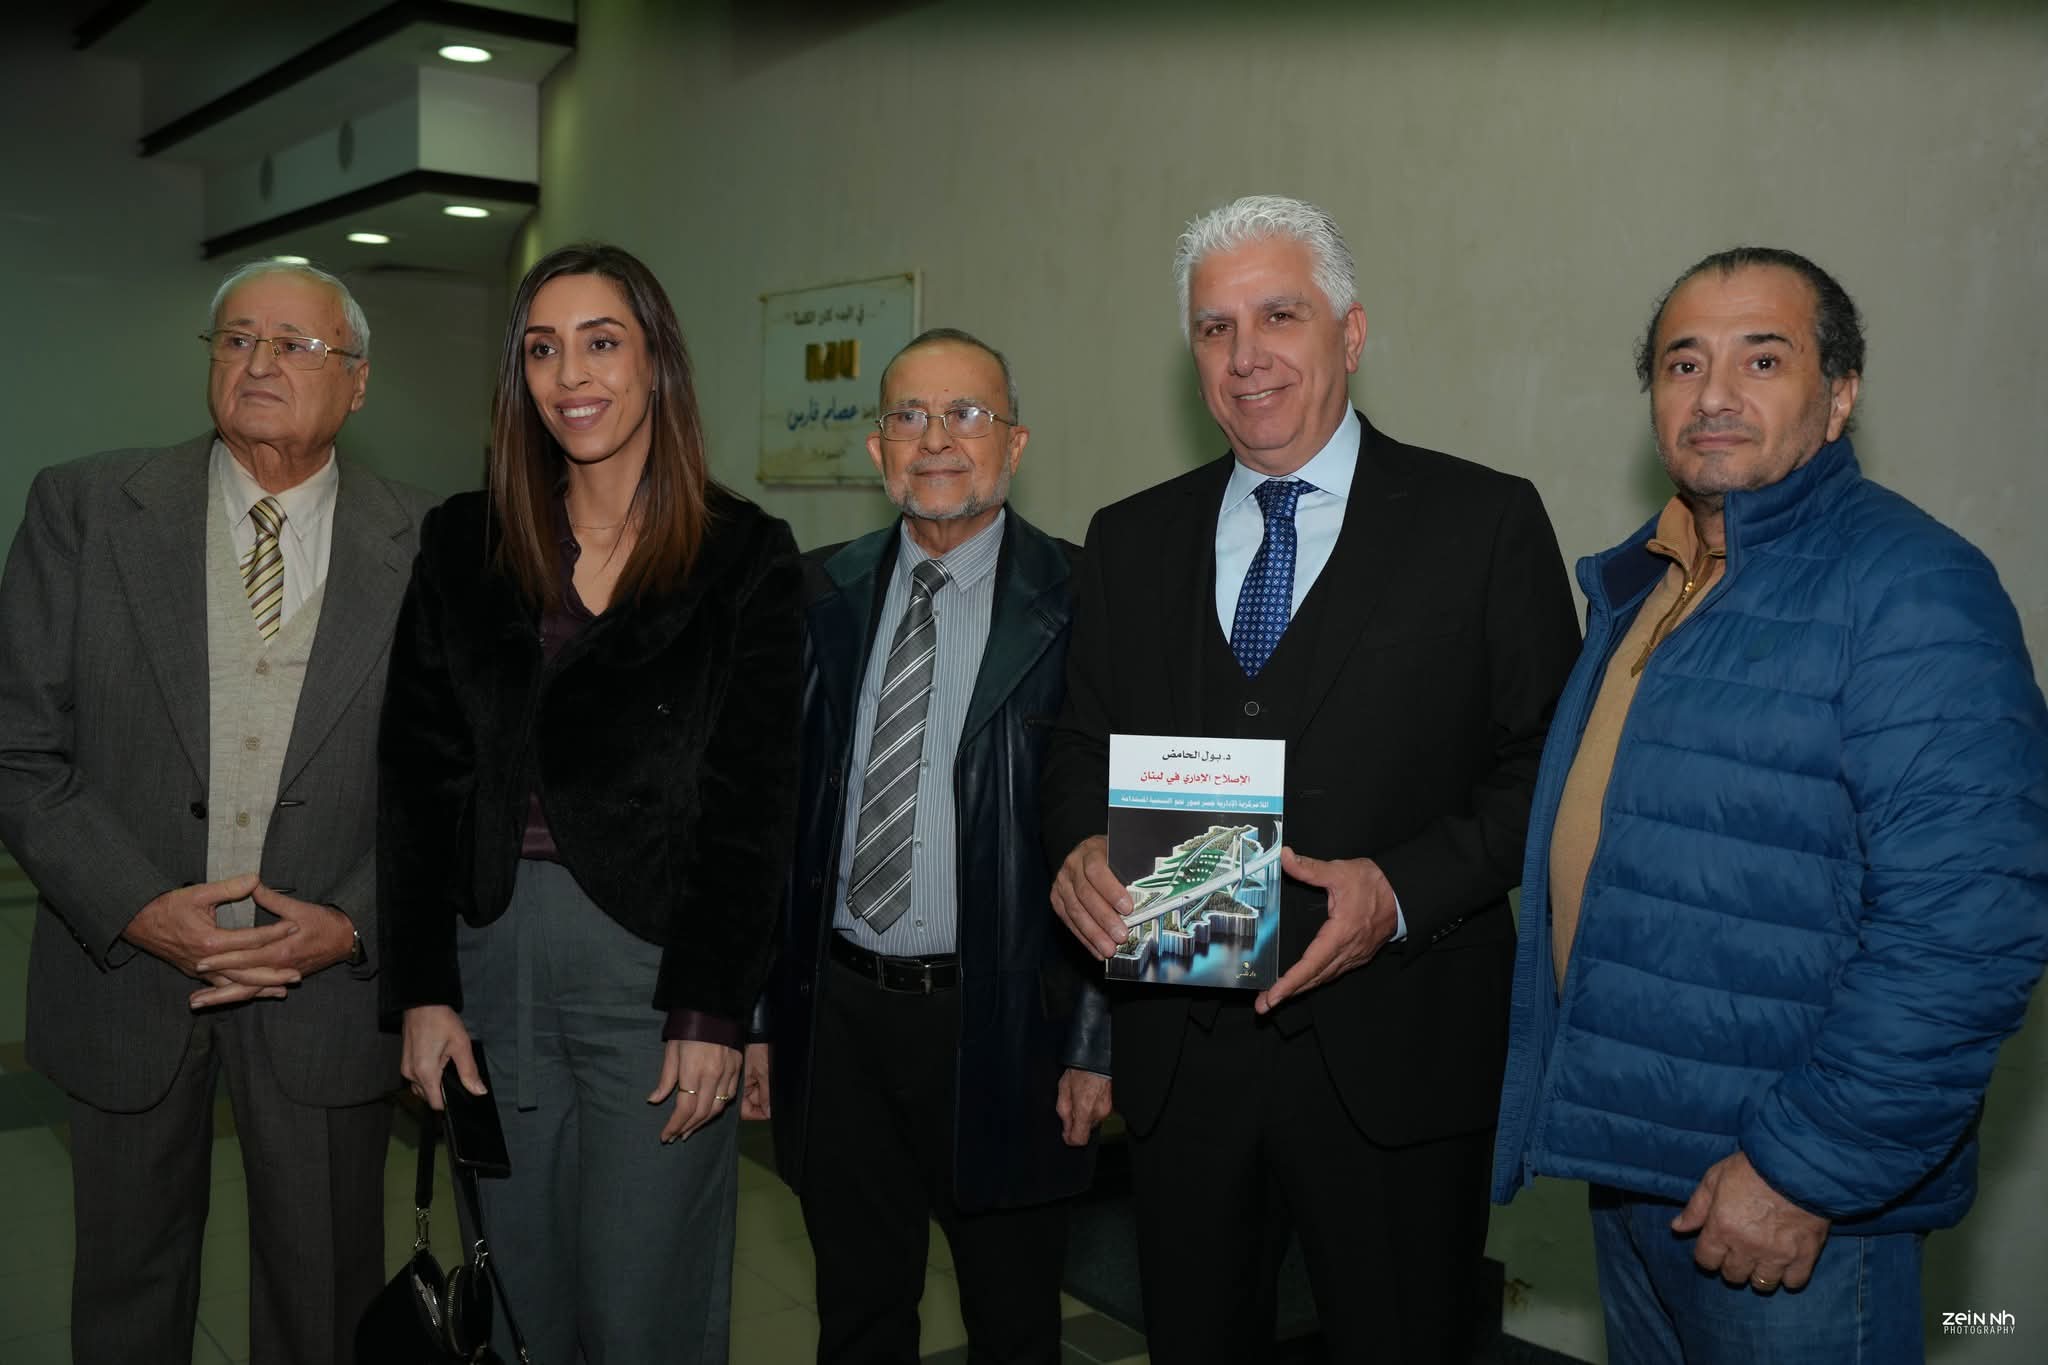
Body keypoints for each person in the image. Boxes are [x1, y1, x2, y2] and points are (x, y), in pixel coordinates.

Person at [1041, 194, 1581, 1362]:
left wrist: (1400, 890)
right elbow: (1077, 743)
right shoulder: (1129, 539)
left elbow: (1548, 765)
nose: (1245, 356)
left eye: (1277, 316)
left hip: (1396, 1054)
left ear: (1351, 331)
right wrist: (1078, 844)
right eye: (1214, 328)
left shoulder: (1481, 522)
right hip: (1183, 1055)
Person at [1491, 247, 2048, 1363]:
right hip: (1638, 1170)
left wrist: (1801, 1170)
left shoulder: (1911, 589)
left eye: (1760, 360)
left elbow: (1967, 930)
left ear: (1837, 396)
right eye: (1681, 362)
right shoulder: (1650, 584)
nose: (1712, 394)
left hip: (1786, 1207)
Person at [0, 260, 433, 1364]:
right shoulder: (86, 510)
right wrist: (138, 906)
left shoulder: (433, 543)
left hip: (327, 992)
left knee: (323, 1301)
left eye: (296, 344)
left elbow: (455, 781)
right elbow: (18, 745)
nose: (259, 362)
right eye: (237, 339)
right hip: (127, 981)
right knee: (127, 1298)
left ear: (358, 382)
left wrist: (353, 921)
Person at [378, 242, 803, 1364]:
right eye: (541, 348)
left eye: (601, 342)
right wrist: (422, 989)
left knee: (641, 1309)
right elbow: (416, 781)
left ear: (655, 360)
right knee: (520, 1299)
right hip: (490, 966)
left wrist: (714, 1008)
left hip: (655, 977)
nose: (570, 374)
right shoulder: (462, 541)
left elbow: (753, 804)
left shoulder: (744, 555)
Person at [748, 327, 1112, 1363]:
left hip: (1011, 1027)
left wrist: (1097, 1039)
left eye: (967, 414)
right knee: (857, 1319)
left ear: (1015, 443)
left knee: (1013, 1326)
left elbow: (1126, 824)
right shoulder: (813, 595)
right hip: (840, 1019)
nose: (937, 438)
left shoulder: (1086, 600)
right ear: (877, 448)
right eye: (909, 415)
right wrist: (760, 1017)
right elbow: (770, 821)